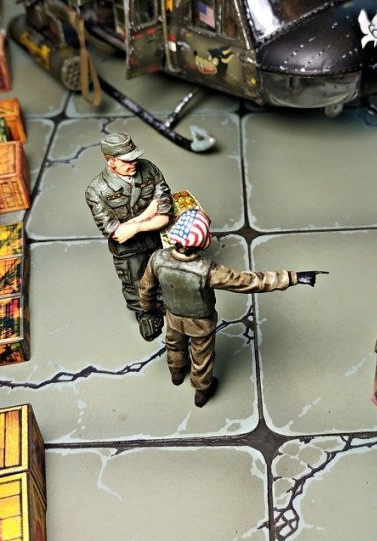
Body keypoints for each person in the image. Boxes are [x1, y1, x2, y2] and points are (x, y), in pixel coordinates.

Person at [139, 208, 327, 407]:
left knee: (174, 345)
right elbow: (250, 282)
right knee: (202, 357)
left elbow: (146, 288)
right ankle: (202, 391)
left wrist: (147, 310)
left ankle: (176, 373)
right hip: (201, 323)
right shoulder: (208, 270)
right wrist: (292, 277)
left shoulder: (157, 258)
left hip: (173, 317)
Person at [85, 132, 173, 340]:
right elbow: (116, 234)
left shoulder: (149, 169)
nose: (133, 162)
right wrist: (148, 214)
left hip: (157, 240)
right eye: (127, 160)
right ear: (111, 161)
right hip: (128, 251)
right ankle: (146, 314)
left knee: (165, 274)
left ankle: (168, 305)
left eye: (134, 157)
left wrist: (134, 226)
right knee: (135, 284)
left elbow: (165, 215)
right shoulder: (96, 190)